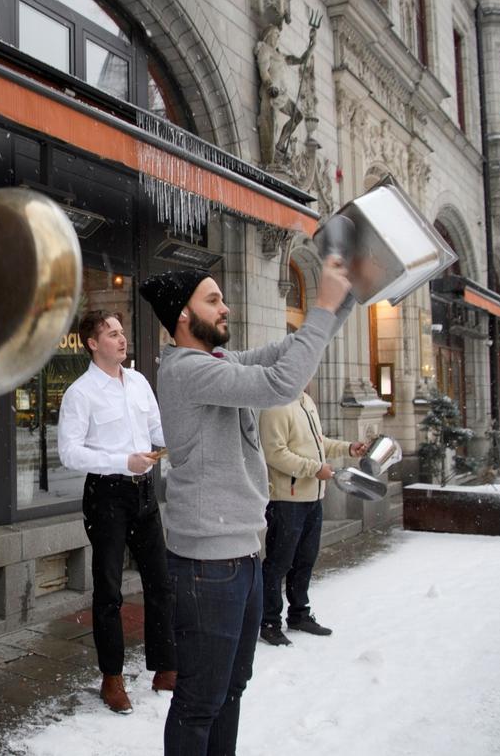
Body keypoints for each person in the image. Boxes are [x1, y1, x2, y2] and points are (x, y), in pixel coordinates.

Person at [140, 260, 353, 756]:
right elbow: (281, 382)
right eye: (212, 299)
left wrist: (344, 300)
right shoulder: (187, 370)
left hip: (241, 557)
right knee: (200, 701)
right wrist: (320, 305)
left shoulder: (218, 364)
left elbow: (282, 352)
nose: (226, 306)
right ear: (182, 316)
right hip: (207, 567)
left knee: (230, 691)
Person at [57, 310, 176, 714]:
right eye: (112, 334)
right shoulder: (80, 393)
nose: (122, 339)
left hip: (145, 493)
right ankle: (112, 677)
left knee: (160, 581)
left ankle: (165, 667)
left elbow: (158, 431)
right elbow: (69, 452)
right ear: (92, 343)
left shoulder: (140, 382)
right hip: (107, 495)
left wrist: (167, 447)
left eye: (122, 332)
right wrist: (122, 462)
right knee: (109, 590)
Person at [257, 391, 366, 647]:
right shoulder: (275, 405)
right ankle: (269, 622)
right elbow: (274, 453)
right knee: (278, 563)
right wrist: (314, 469)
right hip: (286, 500)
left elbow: (318, 443)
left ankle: (299, 614)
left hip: (313, 497)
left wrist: (347, 448)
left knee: (305, 560)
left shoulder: (306, 401)